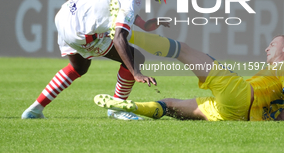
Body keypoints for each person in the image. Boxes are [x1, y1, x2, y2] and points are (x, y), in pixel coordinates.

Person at [22, 0, 176, 120]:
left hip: (66, 15)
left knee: (79, 67)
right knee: (136, 58)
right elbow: (118, 37)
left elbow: (117, 4)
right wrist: (135, 72)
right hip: (80, 30)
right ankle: (117, 108)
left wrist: (144, 24)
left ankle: (34, 110)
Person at [94, 32, 284, 121]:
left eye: (273, 45)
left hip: (240, 94)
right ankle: (133, 108)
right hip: (235, 116)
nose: (267, 48)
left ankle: (125, 34)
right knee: (169, 106)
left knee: (182, 50)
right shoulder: (274, 73)